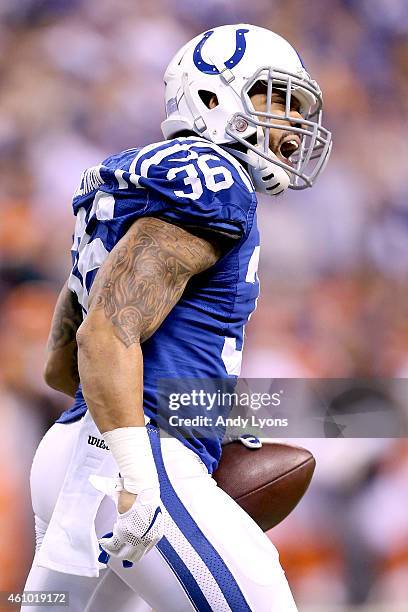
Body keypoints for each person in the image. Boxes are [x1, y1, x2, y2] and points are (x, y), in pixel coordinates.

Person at [23, 24, 331, 611]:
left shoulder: (121, 184)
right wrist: (139, 473)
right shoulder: (211, 180)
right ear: (212, 96)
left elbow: (63, 369)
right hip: (134, 457)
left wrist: (212, 409)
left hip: (73, 450)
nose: (292, 127)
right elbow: (107, 332)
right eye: (276, 98)